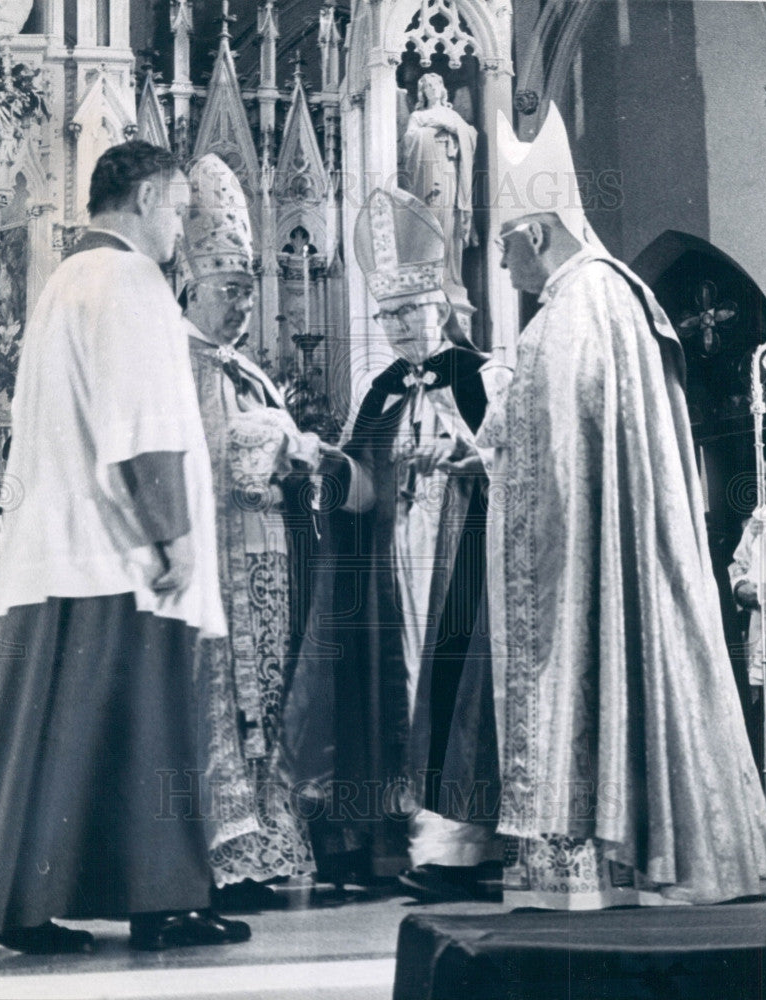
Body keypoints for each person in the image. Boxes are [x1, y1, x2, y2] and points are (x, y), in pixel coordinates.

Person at [479, 104, 766, 908]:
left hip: (581, 571)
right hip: (614, 557)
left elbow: (559, 474)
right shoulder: (613, 301)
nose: (505, 270)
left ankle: (598, 860)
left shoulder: (575, 314)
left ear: (536, 234)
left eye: (506, 247)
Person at [0, 141, 251, 952]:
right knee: (152, 737)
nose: (179, 227)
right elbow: (143, 427)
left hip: (62, 553)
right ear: (148, 197)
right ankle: (162, 903)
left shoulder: (67, 278)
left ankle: (24, 905)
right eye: (177, 210)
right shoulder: (129, 281)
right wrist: (171, 537)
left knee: (55, 744)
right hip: (120, 558)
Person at [283, 187, 512, 901]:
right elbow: (358, 480)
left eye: (410, 313)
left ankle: (459, 843)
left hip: (460, 560)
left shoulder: (482, 375)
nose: (401, 329)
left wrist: (464, 458)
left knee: (448, 684)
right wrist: (335, 465)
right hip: (388, 565)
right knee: (393, 680)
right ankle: (383, 842)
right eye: (387, 316)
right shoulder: (378, 388)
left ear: (439, 305)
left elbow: (512, 460)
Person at [178, 153, 317, 905]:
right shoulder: (172, 360)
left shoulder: (249, 370)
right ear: (193, 285)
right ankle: (215, 853)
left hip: (267, 560)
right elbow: (193, 455)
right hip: (211, 564)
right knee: (222, 706)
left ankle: (262, 844)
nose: (240, 309)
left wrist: (292, 453)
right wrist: (265, 445)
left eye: (247, 292)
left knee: (267, 698)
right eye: (229, 292)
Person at [729, 450, 766, 823]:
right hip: (765, 635)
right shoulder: (755, 525)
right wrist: (741, 589)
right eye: (763, 476)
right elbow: (738, 567)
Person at [400, 73, 477, 293]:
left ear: (442, 89)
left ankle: (449, 277)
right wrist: (430, 131)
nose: (432, 90)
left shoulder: (451, 115)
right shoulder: (417, 116)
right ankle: (428, 277)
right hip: (425, 175)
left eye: (435, 86)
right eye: (427, 88)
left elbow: (471, 137)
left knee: (448, 223)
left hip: (448, 172)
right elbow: (408, 145)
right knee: (428, 221)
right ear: (422, 93)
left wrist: (449, 126)